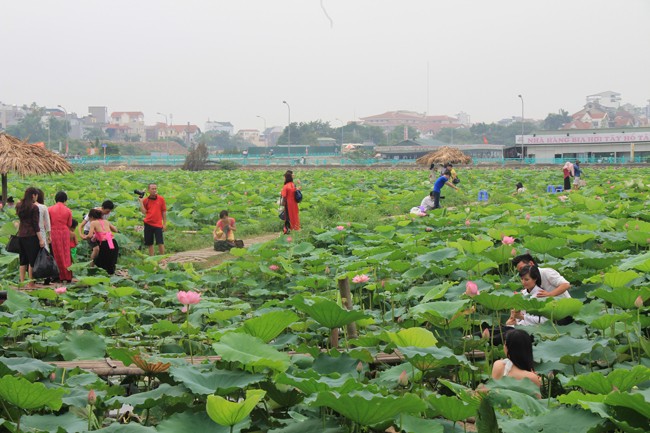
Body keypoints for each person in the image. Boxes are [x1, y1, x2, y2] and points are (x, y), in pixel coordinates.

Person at [16, 187, 46, 287]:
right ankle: (31, 283)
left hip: (21, 235)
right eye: (36, 196)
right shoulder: (34, 207)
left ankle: (22, 282)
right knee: (32, 260)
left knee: (23, 260)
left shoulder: (19, 205)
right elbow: (35, 225)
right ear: (33, 195)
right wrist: (41, 239)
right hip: (31, 235)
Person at [82, 209, 119, 274]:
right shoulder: (106, 221)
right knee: (111, 262)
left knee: (100, 262)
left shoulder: (93, 223)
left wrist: (84, 237)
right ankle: (110, 277)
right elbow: (115, 230)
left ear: (92, 217)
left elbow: (90, 235)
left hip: (105, 244)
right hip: (113, 242)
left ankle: (97, 274)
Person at [48, 191, 73, 283]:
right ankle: (67, 275)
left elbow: (48, 223)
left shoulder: (49, 209)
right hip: (64, 232)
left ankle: (58, 275)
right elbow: (69, 224)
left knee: (56, 253)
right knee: (66, 253)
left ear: (56, 199)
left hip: (54, 231)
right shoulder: (68, 210)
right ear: (65, 199)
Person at [139, 183, 167, 255]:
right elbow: (144, 212)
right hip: (148, 223)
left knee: (160, 242)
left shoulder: (161, 199)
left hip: (158, 224)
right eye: (152, 189)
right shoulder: (146, 200)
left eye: (155, 189)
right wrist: (141, 202)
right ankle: (152, 258)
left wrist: (164, 224)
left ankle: (162, 258)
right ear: (149, 190)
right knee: (150, 243)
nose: (154, 190)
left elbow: (164, 212)